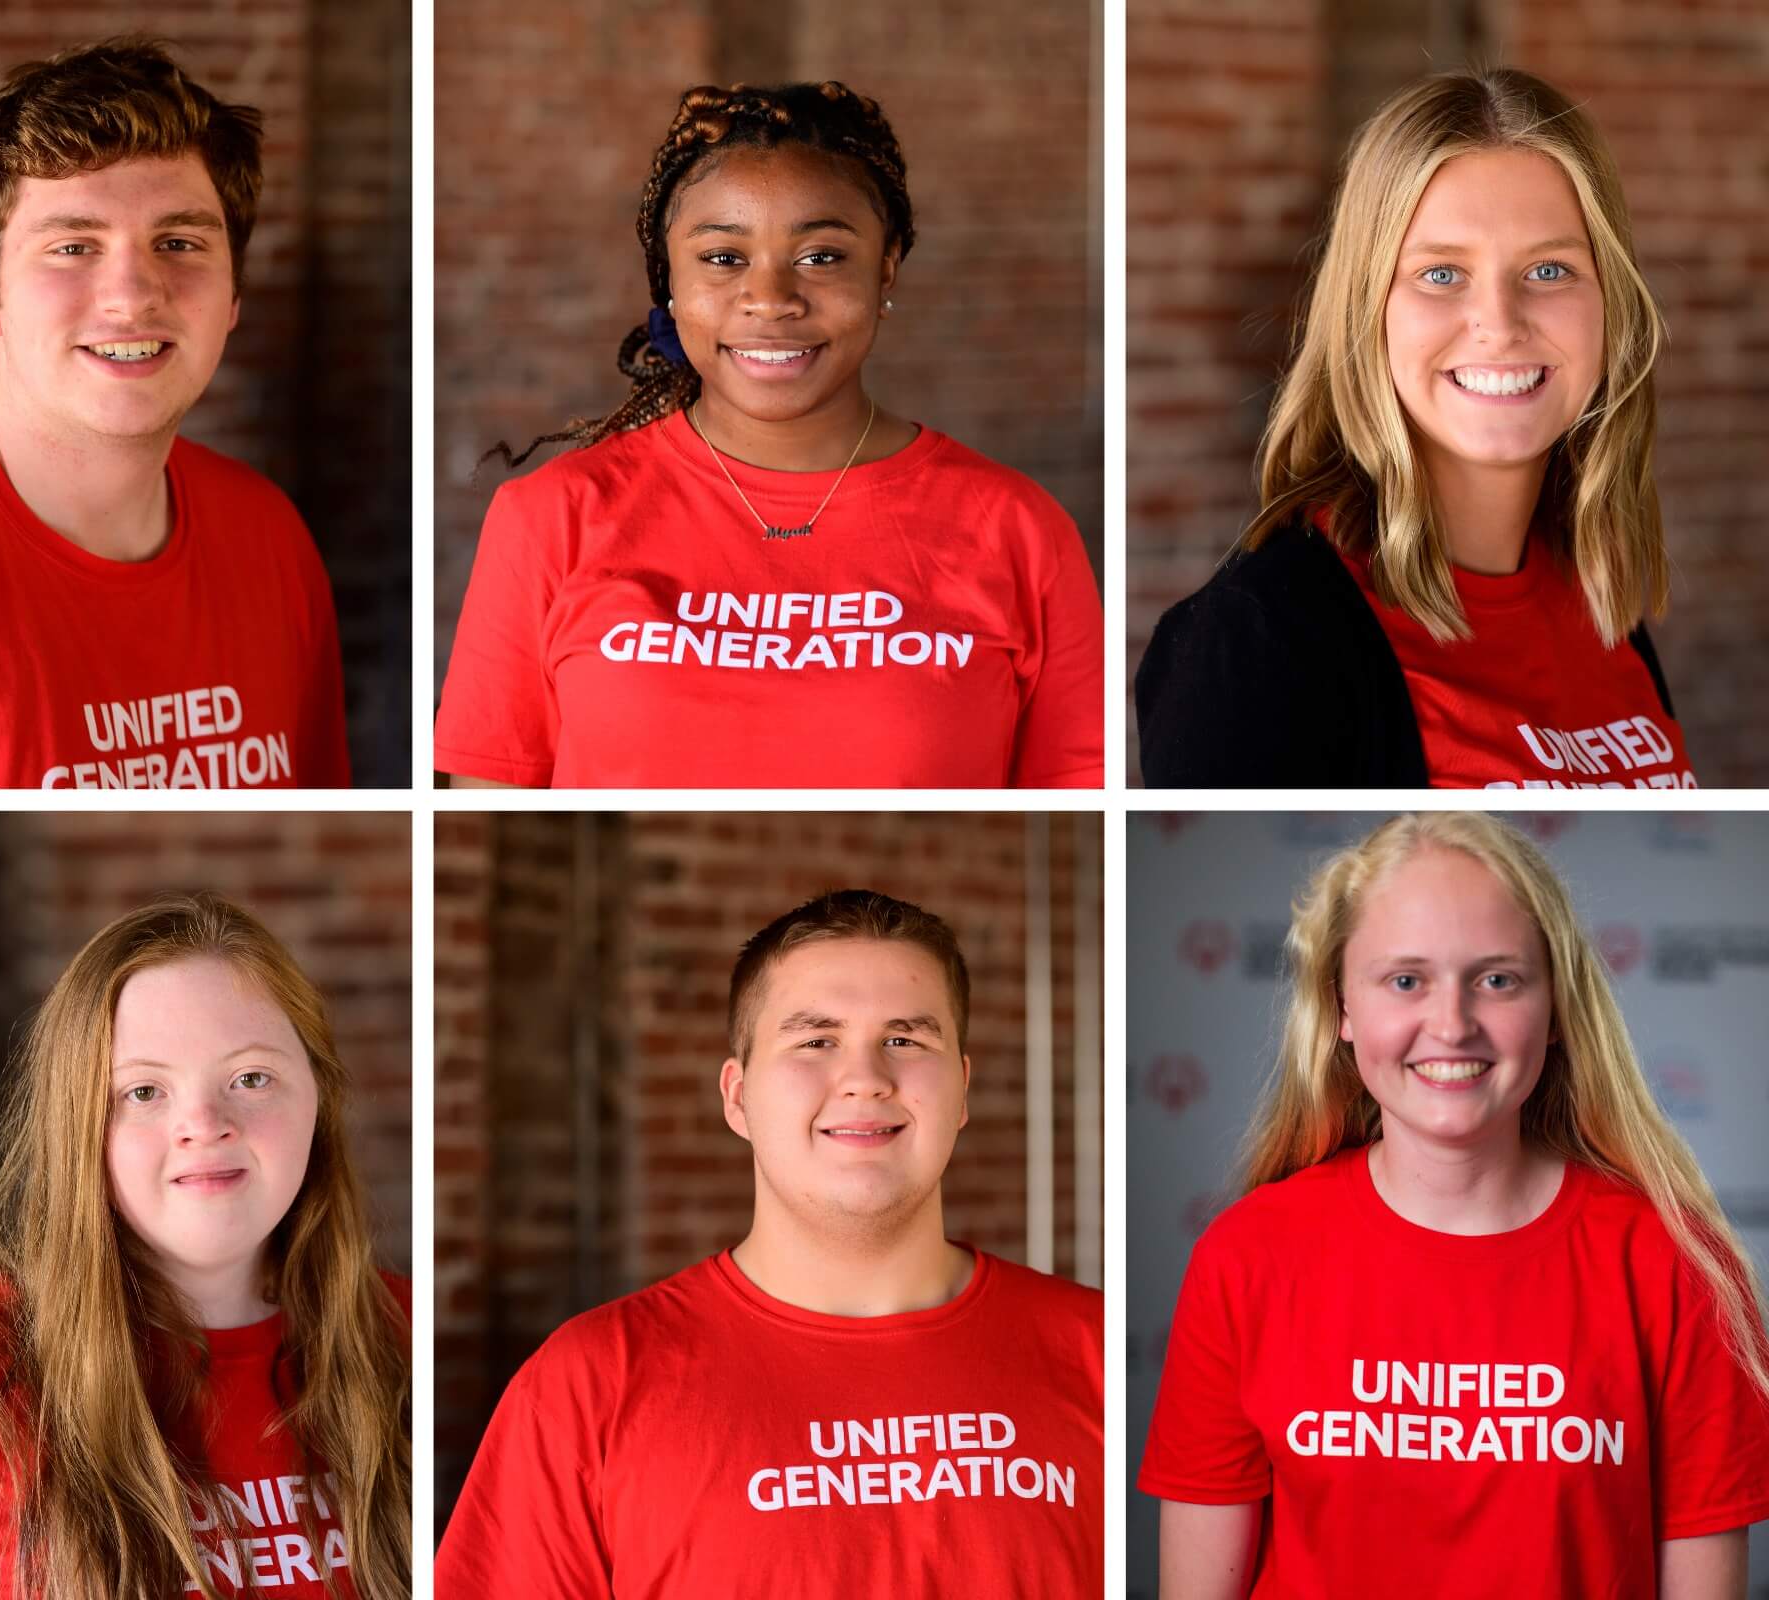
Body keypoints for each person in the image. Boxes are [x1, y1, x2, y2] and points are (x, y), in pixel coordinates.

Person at [1139, 814, 1769, 1597]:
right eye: (1406, 980)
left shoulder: (1675, 1267)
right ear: (1341, 1007)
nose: (1451, 1024)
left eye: (1497, 979)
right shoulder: (1247, 1256)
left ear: (1557, 1008)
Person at [434, 82, 1103, 789]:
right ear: (668, 278)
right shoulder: (549, 519)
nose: (772, 300)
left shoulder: (1021, 529)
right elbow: (489, 802)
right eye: (723, 258)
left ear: (886, 265)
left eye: (822, 256)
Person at [433, 890, 1103, 1593]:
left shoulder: (1093, 1349)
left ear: (961, 1090)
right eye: (816, 1041)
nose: (866, 1080)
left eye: (905, 1040)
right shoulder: (587, 1387)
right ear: (737, 1096)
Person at [0, 893, 410, 1598]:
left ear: (319, 1098)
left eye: (251, 1078)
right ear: (80, 1125)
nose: (203, 1123)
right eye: (141, 1092)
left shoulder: (406, 1346)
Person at [0, 40, 350, 789]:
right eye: (74, 246)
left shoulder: (272, 539)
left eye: (178, 242)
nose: (133, 294)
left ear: (233, 294)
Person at [1135, 69, 1693, 790]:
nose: (1500, 323)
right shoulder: (1255, 641)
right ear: (1368, 308)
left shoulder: (1599, 604)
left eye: (1550, 269)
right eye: (1441, 274)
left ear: (1611, 303)